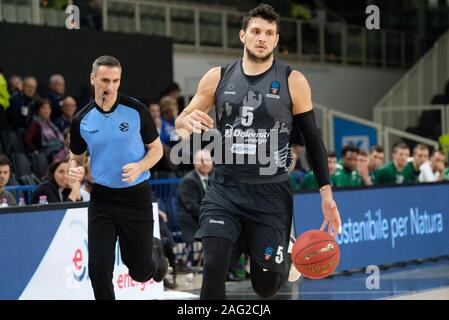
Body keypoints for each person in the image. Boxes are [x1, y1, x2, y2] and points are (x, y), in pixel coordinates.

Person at [175, 4, 341, 300]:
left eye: (269, 33)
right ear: (243, 35)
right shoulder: (217, 77)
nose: (261, 38)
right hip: (224, 188)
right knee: (213, 265)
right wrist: (185, 122)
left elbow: (314, 140)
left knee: (264, 287)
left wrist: (326, 194)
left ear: (276, 40)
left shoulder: (293, 81)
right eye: (255, 31)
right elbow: (182, 122)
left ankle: (286, 255)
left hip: (270, 194)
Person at [67, 55, 167, 300]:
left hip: (136, 197)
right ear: (93, 79)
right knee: (98, 269)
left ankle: (155, 251)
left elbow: (157, 149)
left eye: (115, 81)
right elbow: (75, 158)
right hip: (102, 199)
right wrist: (74, 169)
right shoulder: (81, 119)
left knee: (141, 273)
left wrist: (140, 165)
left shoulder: (137, 111)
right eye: (104, 80)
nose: (110, 86)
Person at [177, 149, 213, 267]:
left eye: (207, 160)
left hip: (209, 218)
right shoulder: (188, 180)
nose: (205, 163)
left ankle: (231, 268)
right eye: (201, 160)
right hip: (192, 220)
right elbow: (191, 206)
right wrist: (210, 215)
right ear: (195, 163)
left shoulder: (215, 178)